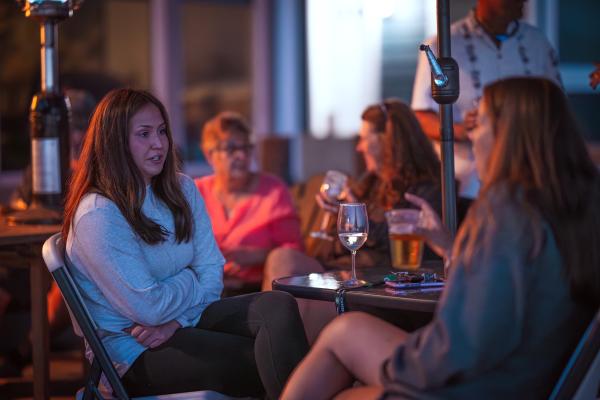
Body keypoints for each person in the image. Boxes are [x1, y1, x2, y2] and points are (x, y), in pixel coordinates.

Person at [280, 77, 600, 400]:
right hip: (536, 378)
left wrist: (397, 368)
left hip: (482, 386)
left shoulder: (505, 210)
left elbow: (463, 345)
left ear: (509, 134)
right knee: (345, 332)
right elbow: (511, 295)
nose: (471, 135)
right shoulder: (579, 207)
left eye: (479, 123)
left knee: (342, 367)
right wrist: (450, 246)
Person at [62, 88, 308, 399]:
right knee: (264, 356)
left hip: (181, 322)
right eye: (144, 134)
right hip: (134, 351)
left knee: (278, 305)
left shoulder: (181, 188)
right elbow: (150, 309)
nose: (159, 143)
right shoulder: (99, 214)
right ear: (114, 142)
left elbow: (212, 271)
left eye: (162, 131)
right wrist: (190, 279)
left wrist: (176, 321)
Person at [263, 99, 442, 340]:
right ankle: (273, 349)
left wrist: (358, 214)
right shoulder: (369, 183)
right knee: (282, 258)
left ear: (388, 141)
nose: (359, 147)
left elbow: (403, 247)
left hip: (375, 283)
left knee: (295, 304)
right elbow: (331, 250)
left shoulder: (427, 188)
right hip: (342, 274)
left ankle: (275, 353)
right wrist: (336, 218)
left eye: (365, 139)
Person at [412, 0, 561, 200]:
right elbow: (421, 115)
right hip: (465, 185)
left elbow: (558, 106)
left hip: (530, 181)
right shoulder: (443, 45)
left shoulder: (537, 43)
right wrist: (462, 130)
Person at [195, 111, 303, 294]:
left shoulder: (273, 190)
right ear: (209, 154)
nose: (241, 156)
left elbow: (294, 251)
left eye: (246, 148)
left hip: (257, 290)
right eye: (231, 148)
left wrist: (259, 255)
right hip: (203, 290)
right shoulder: (195, 192)